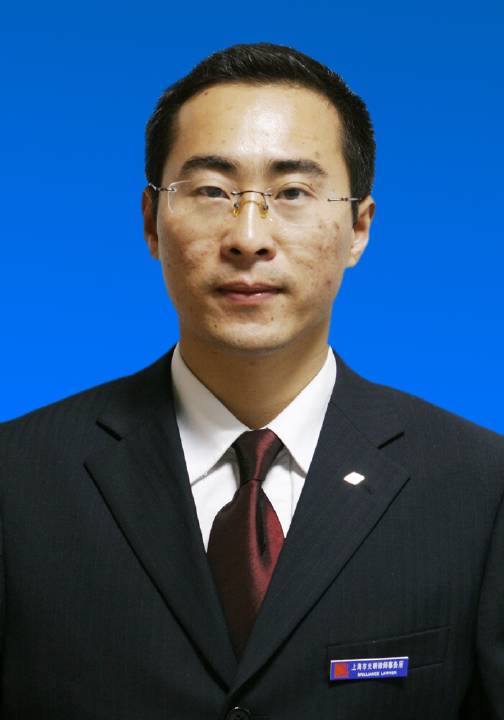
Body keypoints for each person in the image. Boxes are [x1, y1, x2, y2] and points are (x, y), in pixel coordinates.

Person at [0, 42, 503, 720]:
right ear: (151, 222)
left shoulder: (480, 488)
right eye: (211, 190)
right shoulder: (17, 477)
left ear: (358, 228)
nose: (247, 237)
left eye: (293, 193)